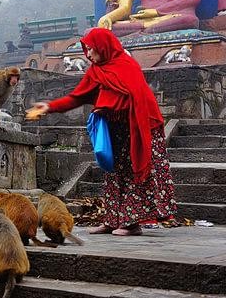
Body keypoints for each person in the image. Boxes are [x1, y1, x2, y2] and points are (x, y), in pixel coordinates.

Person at [26, 28, 177, 236]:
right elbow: (76, 97)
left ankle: (132, 224)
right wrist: (49, 106)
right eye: (86, 50)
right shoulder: (96, 71)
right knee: (114, 174)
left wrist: (136, 131)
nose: (88, 55)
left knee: (134, 173)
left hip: (139, 127)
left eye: (91, 49)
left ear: (103, 47)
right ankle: (112, 219)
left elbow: (139, 100)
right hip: (115, 129)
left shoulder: (127, 65)